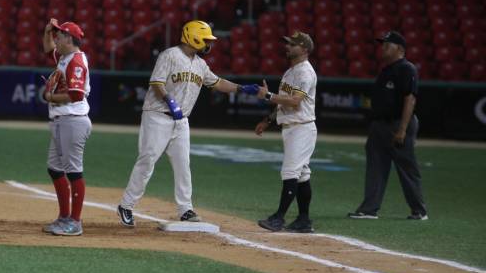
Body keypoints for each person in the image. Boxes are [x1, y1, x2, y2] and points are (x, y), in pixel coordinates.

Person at [116, 20, 260, 227]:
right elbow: (156, 83)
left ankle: (185, 209)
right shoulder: (170, 55)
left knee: (183, 165)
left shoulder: (200, 64)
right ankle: (126, 205)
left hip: (181, 121)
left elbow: (217, 82)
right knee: (147, 161)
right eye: (206, 39)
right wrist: (170, 101)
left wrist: (242, 88)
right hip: (157, 115)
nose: (208, 43)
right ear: (194, 37)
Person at [348, 31, 428, 220]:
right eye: (382, 44)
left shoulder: (407, 69)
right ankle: (369, 209)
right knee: (375, 166)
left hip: (398, 124)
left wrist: (402, 129)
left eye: (387, 45)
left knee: (407, 168)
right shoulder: (386, 70)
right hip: (380, 125)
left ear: (399, 49)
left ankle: (419, 210)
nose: (382, 48)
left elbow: (410, 99)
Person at [254, 32, 318, 233]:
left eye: (293, 44)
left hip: (302, 127)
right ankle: (304, 221)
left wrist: (268, 96)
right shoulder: (291, 72)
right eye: (288, 43)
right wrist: (268, 120)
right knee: (302, 176)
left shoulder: (305, 72)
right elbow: (284, 103)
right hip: (292, 127)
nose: (288, 47)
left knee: (290, 172)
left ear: (305, 50)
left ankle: (278, 218)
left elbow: (294, 101)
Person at [41, 18, 92, 236]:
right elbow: (48, 50)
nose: (56, 38)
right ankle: (64, 217)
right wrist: (46, 31)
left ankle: (75, 222)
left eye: (59, 36)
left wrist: (49, 96)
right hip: (62, 121)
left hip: (73, 120)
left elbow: (76, 95)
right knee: (54, 168)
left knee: (73, 171)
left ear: (69, 39)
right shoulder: (65, 56)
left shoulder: (76, 62)